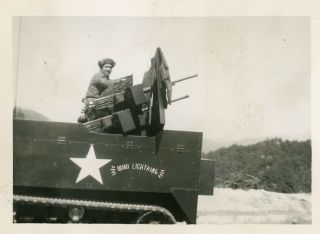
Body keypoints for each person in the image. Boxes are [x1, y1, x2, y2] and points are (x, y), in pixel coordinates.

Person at [77, 58, 116, 123]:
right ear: (101, 68)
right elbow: (106, 83)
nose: (108, 69)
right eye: (106, 67)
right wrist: (121, 81)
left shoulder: (105, 78)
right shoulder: (98, 76)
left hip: (99, 105)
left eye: (110, 67)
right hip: (93, 105)